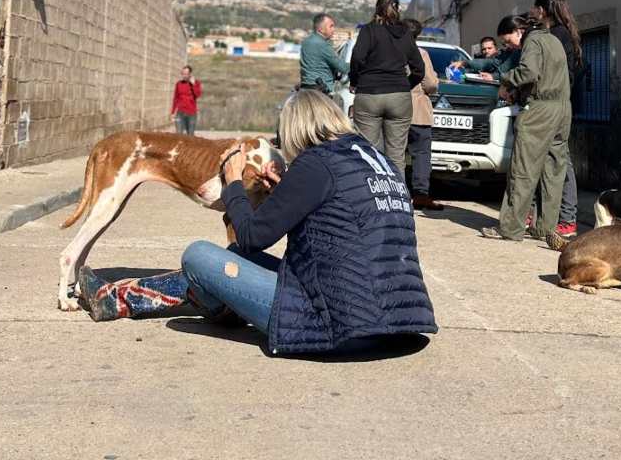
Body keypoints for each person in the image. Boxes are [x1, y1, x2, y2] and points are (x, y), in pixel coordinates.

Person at [76, 90, 439, 355]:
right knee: (233, 260)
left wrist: (233, 180)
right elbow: (338, 220)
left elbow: (251, 237)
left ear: (296, 129)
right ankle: (121, 299)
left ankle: (123, 298)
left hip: (340, 326)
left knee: (201, 256)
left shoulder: (316, 163)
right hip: (401, 324)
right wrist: (284, 189)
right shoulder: (376, 159)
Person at [480, 10, 571, 241]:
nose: (509, 46)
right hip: (562, 110)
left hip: (539, 111)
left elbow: (529, 72)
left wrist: (506, 81)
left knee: (522, 169)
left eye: (508, 40)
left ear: (519, 31)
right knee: (553, 170)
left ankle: (510, 228)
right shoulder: (553, 39)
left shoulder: (532, 41)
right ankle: (544, 228)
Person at [530, 0, 585, 238]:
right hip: (561, 103)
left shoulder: (555, 36)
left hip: (555, 105)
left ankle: (567, 218)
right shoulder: (565, 33)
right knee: (552, 160)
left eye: (534, 9)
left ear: (542, 10)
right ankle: (549, 216)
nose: (533, 13)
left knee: (561, 161)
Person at [349, 0, 425, 171]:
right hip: (399, 96)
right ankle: (398, 197)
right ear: (398, 9)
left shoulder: (369, 30)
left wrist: (355, 81)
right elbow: (419, 69)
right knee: (397, 155)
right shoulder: (406, 33)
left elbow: (357, 57)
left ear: (377, 9)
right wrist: (405, 85)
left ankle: (371, 197)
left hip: (369, 93)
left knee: (369, 153)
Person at [404, 18, 442, 211]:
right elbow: (431, 84)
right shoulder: (421, 53)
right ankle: (420, 195)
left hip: (396, 110)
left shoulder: (392, 51)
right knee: (421, 155)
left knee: (395, 153)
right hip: (418, 111)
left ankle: (397, 193)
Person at [451, 15, 525, 82]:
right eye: (484, 49)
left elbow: (525, 73)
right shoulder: (516, 50)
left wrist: (495, 77)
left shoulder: (528, 47)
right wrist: (465, 63)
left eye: (509, 41)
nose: (508, 46)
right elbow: (491, 63)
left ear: (518, 33)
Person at [299, 13, 349, 94]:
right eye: (331, 26)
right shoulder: (322, 45)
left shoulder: (306, 42)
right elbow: (342, 67)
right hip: (321, 91)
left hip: (305, 88)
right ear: (321, 29)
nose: (333, 29)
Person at [171, 65, 201, 135]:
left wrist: (193, 85)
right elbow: (176, 98)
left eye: (186, 74)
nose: (184, 76)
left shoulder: (196, 83)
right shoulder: (178, 84)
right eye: (183, 74)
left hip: (191, 114)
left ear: (190, 74)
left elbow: (197, 95)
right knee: (179, 134)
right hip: (180, 113)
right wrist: (173, 112)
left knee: (190, 135)